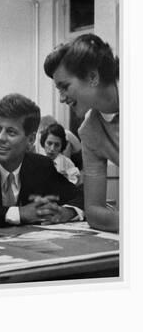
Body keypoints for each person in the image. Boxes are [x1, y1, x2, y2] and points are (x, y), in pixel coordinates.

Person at [0, 93, 84, 228]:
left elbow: (80, 197)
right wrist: (18, 213)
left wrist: (66, 212)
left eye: (11, 132)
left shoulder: (41, 167)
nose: (0, 138)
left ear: (30, 140)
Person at [44, 34, 119, 232]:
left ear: (93, 77)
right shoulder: (89, 131)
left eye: (64, 87)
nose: (61, 98)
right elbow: (94, 212)